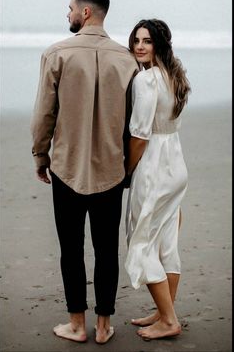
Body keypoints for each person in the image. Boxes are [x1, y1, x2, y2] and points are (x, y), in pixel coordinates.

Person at [31, 0, 138, 344]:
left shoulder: (56, 53)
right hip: (112, 168)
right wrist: (128, 167)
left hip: (67, 167)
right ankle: (105, 326)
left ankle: (77, 324)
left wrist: (40, 154)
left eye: (71, 7)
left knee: (71, 249)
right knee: (108, 249)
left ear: (86, 12)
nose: (68, 13)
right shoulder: (127, 59)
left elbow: (44, 112)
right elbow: (133, 122)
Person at [124, 19, 191, 340]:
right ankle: (167, 312)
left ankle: (168, 321)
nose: (139, 46)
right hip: (176, 164)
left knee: (141, 242)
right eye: (136, 40)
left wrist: (126, 170)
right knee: (166, 242)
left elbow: (139, 134)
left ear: (159, 44)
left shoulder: (146, 80)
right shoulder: (175, 77)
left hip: (153, 168)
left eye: (147, 41)